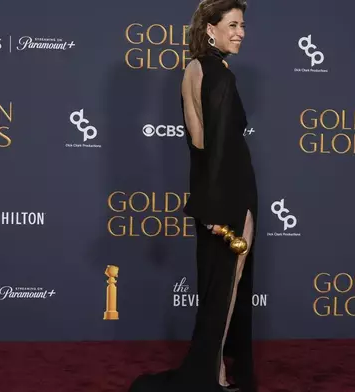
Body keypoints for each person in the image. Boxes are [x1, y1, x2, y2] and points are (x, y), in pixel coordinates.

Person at [128, 1, 258, 391]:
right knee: (228, 283)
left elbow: (197, 141)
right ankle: (211, 375)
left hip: (214, 187)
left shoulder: (194, 68)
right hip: (231, 188)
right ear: (210, 29)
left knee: (219, 284)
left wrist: (204, 200)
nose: (240, 32)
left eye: (243, 25)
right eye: (232, 24)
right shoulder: (219, 74)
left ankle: (212, 369)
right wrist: (216, 204)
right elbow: (214, 143)